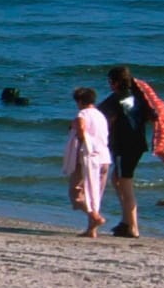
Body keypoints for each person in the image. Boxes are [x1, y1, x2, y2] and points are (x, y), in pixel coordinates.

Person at [98, 65, 155, 238]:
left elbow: (98, 114)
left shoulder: (116, 99)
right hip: (138, 144)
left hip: (124, 146)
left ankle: (133, 227)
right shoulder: (138, 96)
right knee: (117, 180)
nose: (109, 85)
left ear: (115, 82)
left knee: (125, 184)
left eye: (110, 81)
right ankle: (125, 221)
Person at [63, 86, 112, 237]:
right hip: (104, 157)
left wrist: (82, 139)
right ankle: (92, 230)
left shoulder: (82, 113)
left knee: (76, 194)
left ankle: (94, 216)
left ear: (79, 101)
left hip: (89, 157)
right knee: (95, 193)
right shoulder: (100, 115)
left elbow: (81, 127)